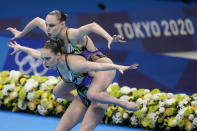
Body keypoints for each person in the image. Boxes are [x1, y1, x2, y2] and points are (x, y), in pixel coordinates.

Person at [6, 10, 127, 111]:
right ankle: (80, 101)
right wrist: (21, 34)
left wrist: (109, 38)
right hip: (78, 66)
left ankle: (113, 102)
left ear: (62, 25)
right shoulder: (51, 32)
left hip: (97, 61)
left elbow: (92, 26)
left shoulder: (72, 35)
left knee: (93, 92)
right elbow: (37, 20)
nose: (47, 28)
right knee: (57, 93)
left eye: (51, 25)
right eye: (47, 24)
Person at [8, 40, 138, 131]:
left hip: (97, 101)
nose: (44, 63)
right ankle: (78, 99)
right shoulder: (51, 60)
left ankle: (121, 103)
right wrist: (21, 48)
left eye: (47, 59)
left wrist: (118, 66)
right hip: (81, 96)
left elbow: (99, 66)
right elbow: (36, 54)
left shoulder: (75, 63)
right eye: (44, 58)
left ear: (58, 55)